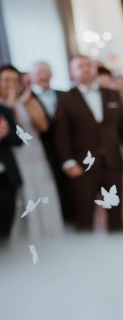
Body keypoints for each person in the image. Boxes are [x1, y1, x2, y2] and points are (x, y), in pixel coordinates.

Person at [54, 55, 123, 232]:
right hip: (82, 165)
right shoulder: (65, 99)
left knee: (115, 212)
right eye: (80, 66)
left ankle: (118, 244)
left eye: (88, 65)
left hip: (113, 162)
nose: (86, 68)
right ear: (72, 72)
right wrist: (68, 162)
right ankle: (86, 247)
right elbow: (61, 135)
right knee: (84, 213)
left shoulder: (112, 94)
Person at [0, 65, 63, 238]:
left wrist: (24, 103)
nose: (11, 84)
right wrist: (10, 107)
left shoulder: (29, 101)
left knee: (44, 190)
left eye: (15, 80)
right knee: (24, 196)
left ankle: (50, 233)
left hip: (35, 153)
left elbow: (43, 126)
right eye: (6, 80)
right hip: (15, 157)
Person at [28, 61, 75, 224]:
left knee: (69, 187)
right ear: (31, 76)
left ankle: (71, 218)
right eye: (39, 72)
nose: (43, 76)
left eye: (46, 72)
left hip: (67, 149)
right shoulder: (27, 98)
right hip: (41, 150)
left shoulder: (65, 95)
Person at [0, 101, 23, 242]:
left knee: (6, 222)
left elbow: (19, 139)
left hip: (6, 177)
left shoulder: (4, 110)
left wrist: (5, 133)